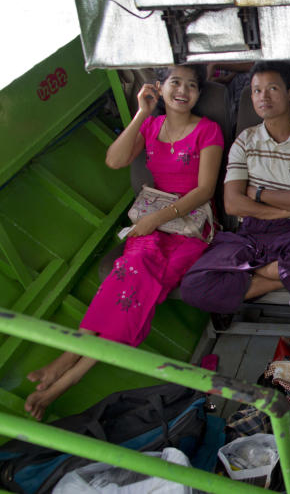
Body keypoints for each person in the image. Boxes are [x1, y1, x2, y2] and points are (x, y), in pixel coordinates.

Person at [25, 66, 224, 420]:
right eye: (175, 83)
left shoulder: (208, 130)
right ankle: (69, 366)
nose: (183, 91)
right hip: (152, 226)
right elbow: (115, 159)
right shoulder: (149, 125)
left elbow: (205, 190)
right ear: (159, 87)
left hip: (189, 228)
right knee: (131, 271)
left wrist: (155, 220)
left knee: (136, 276)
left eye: (192, 86)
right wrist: (142, 113)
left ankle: (67, 366)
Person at [179, 61, 290, 315]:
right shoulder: (244, 140)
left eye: (272, 89)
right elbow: (232, 204)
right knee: (192, 286)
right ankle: (289, 276)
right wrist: (280, 210)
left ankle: (250, 271)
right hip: (250, 233)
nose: (263, 97)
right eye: (256, 91)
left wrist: (257, 193)